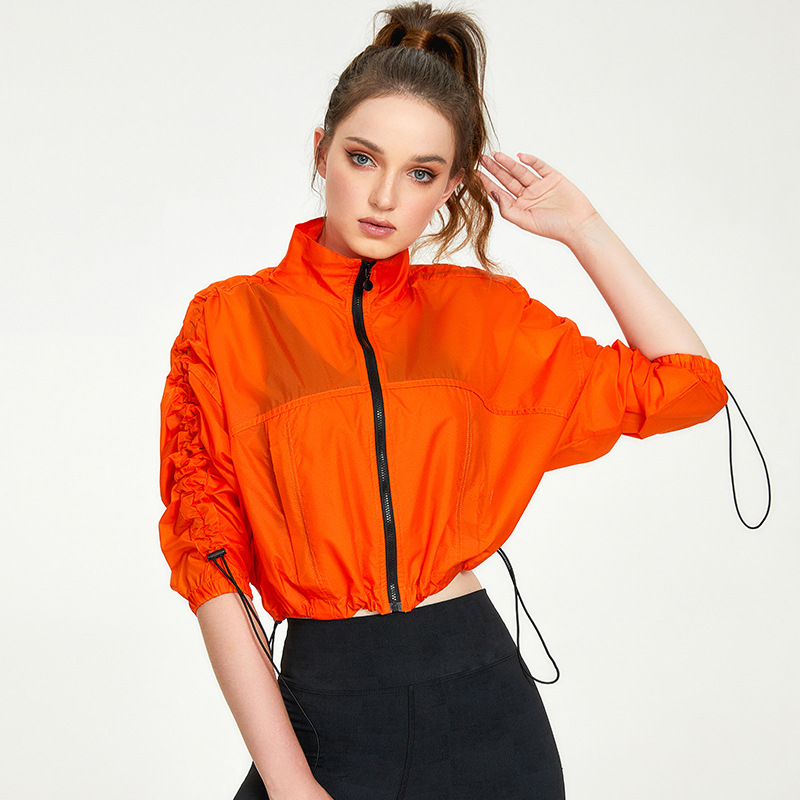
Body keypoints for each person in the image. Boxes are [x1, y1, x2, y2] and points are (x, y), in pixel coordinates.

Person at [158, 3, 728, 798]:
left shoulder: (478, 316)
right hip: (325, 707)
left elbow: (690, 386)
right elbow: (211, 563)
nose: (386, 196)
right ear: (322, 151)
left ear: (452, 185)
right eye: (363, 158)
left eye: (422, 173)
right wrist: (289, 783)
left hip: (483, 707)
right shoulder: (229, 323)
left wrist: (585, 228)